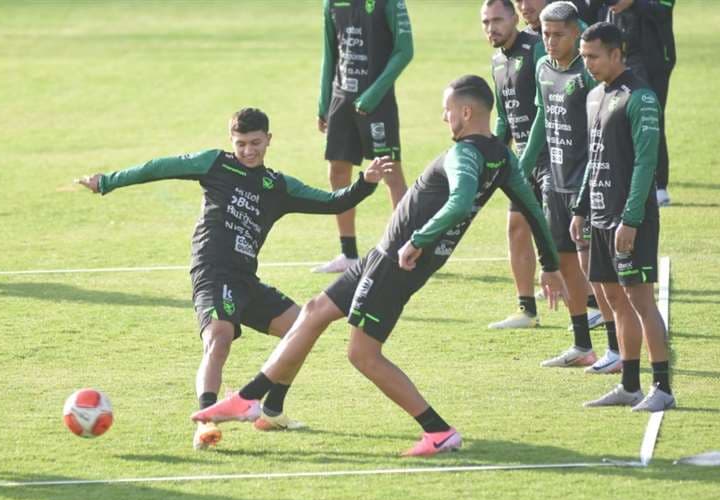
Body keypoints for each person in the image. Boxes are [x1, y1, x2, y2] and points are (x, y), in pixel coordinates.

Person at [191, 75, 568, 456]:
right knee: (315, 311)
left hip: (398, 260)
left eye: (448, 109)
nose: (444, 115)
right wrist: (550, 264)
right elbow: (534, 209)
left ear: (466, 112)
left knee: (362, 354)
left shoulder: (464, 155)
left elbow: (459, 201)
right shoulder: (503, 158)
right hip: (381, 255)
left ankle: (438, 431)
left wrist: (417, 240)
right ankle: (258, 402)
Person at [78, 108, 393, 449]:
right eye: (241, 143)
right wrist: (109, 181)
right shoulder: (215, 164)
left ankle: (272, 410)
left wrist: (367, 182)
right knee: (219, 340)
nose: (248, 151)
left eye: (255, 143)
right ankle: (205, 422)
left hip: (246, 278)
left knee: (301, 330)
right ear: (232, 141)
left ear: (269, 140)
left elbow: (333, 202)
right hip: (212, 272)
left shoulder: (278, 185)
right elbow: (159, 167)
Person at [572, 22, 675, 411]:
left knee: (641, 301)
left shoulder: (641, 98)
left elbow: (646, 163)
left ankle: (662, 387)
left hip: (630, 219)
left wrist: (630, 220)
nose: (588, 65)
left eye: (594, 57)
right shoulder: (595, 95)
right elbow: (594, 157)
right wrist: (582, 207)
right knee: (614, 300)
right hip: (599, 215)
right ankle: (629, 385)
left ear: (618, 53)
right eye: (584, 58)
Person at [519, 1, 618, 371]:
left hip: (588, 187)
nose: (550, 41)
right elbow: (543, 118)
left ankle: (615, 347)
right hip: (555, 184)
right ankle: (582, 345)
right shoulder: (542, 67)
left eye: (559, 34)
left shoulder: (587, 73)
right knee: (564, 265)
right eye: (545, 33)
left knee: (596, 271)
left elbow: (601, 135)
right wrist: (521, 168)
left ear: (577, 32)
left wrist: (585, 193)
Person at [313, 0, 413, 273]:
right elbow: (330, 52)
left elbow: (405, 51)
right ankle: (348, 254)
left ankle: (401, 249)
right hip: (341, 99)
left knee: (391, 173)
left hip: (377, 101)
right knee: (337, 171)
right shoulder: (332, 3)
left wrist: (374, 94)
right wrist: (324, 102)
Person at [481, 0, 550, 329]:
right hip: (521, 163)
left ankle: (593, 303)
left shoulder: (536, 49)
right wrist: (492, 154)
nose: (490, 28)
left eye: (496, 20)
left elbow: (547, 110)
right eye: (485, 22)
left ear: (513, 19)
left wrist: (525, 161)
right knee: (516, 229)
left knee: (562, 235)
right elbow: (504, 118)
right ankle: (527, 310)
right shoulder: (497, 61)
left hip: (552, 159)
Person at [593, 0, 676, 206]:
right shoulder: (609, 11)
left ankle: (659, 186)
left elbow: (664, 9)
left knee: (651, 120)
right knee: (614, 119)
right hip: (617, 58)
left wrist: (631, 2)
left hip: (652, 63)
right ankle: (622, 181)